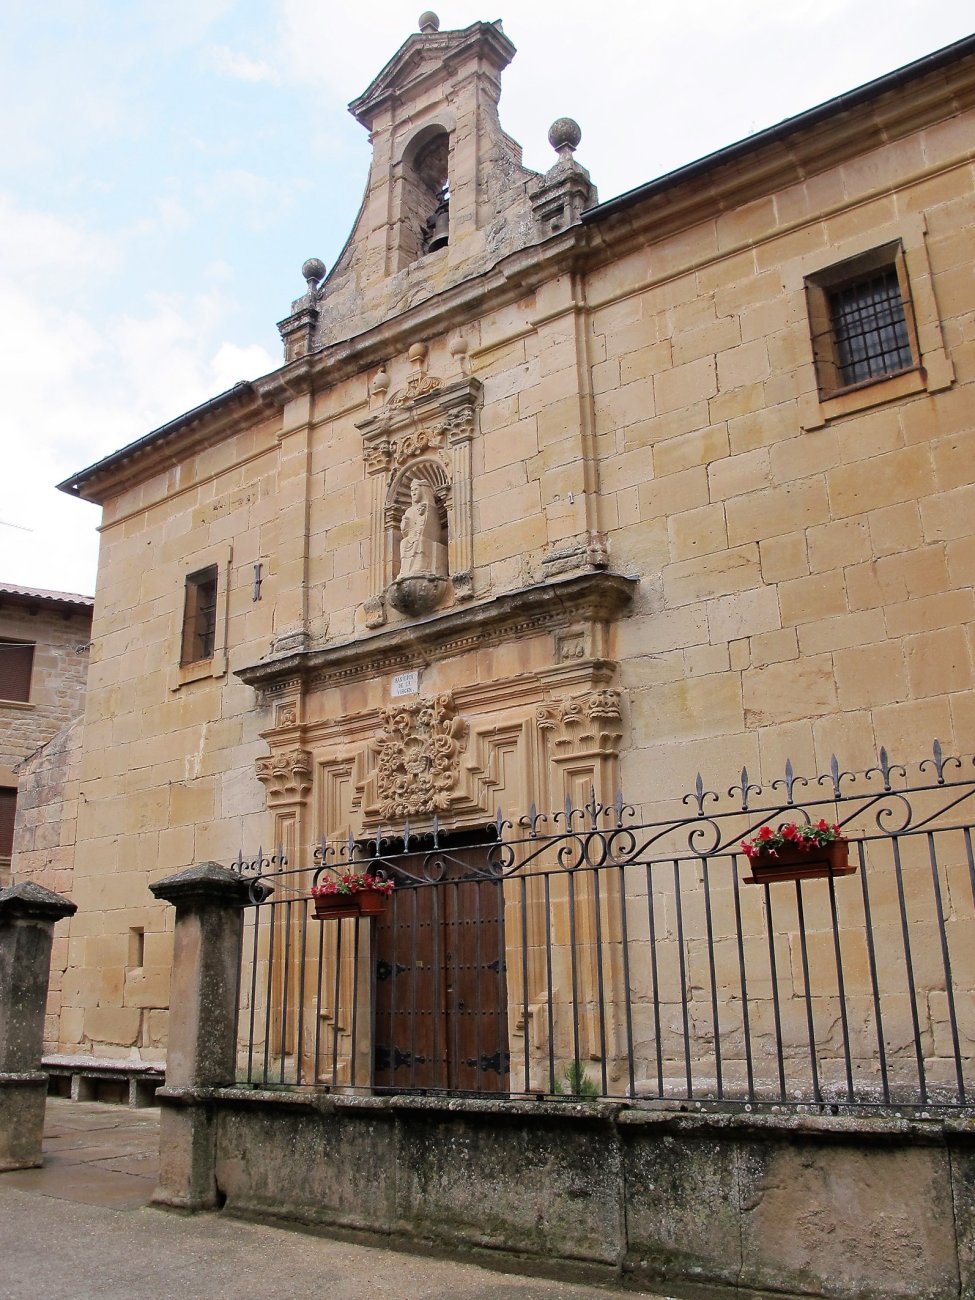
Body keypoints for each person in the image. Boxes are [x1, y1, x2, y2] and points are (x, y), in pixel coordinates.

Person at [398, 480, 444, 576]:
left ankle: (420, 566)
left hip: (423, 537)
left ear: (422, 490)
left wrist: (423, 515)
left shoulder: (430, 507)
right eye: (412, 490)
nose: (413, 492)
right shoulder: (409, 511)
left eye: (416, 489)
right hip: (412, 537)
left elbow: (433, 528)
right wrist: (404, 524)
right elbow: (405, 533)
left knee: (420, 542)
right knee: (404, 542)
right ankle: (405, 570)